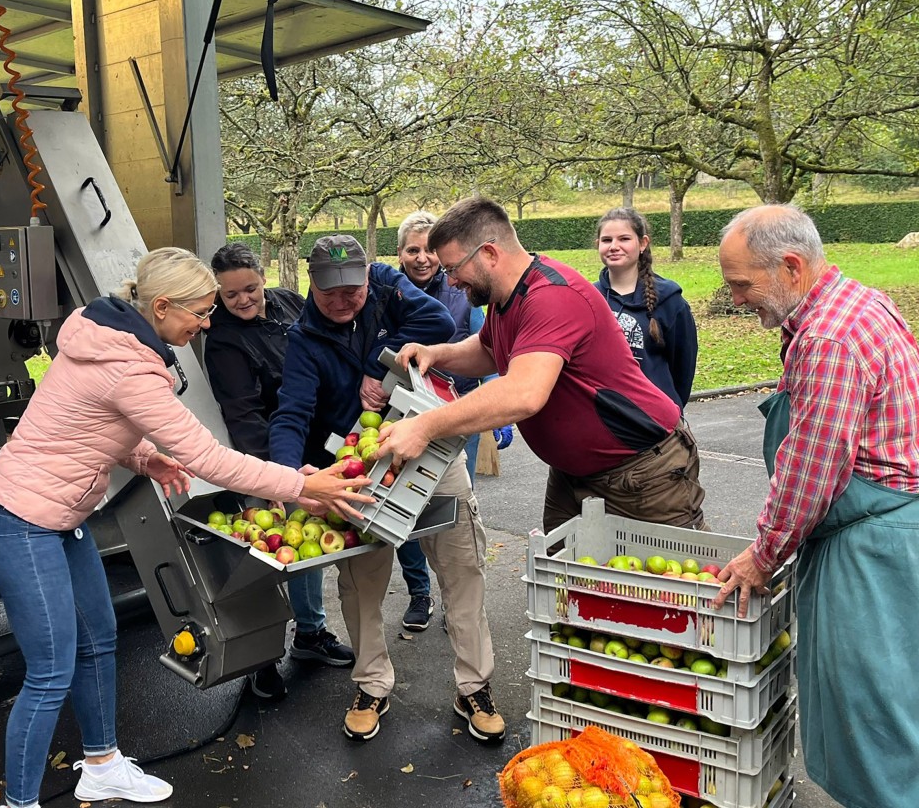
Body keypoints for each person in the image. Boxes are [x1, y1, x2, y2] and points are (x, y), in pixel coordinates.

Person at [0, 246, 373, 808]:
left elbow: (81, 419)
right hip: (19, 522)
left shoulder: (109, 340)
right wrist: (304, 485)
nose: (207, 323)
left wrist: (142, 457)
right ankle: (20, 802)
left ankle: (102, 764)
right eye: (199, 312)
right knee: (50, 669)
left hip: (62, 518)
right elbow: (209, 458)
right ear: (161, 306)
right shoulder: (129, 366)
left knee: (98, 642)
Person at [709, 205, 919, 807]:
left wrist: (763, 554)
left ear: (792, 266)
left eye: (742, 283)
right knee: (898, 700)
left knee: (872, 714)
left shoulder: (827, 338)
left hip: (870, 546)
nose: (736, 298)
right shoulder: (857, 300)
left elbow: (813, 468)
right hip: (890, 530)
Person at [269, 235, 506, 744]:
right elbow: (291, 413)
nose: (341, 300)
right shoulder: (304, 337)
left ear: (367, 277)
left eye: (352, 288)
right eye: (329, 290)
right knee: (361, 583)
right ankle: (371, 683)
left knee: (462, 564)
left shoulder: (386, 290)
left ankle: (475, 685)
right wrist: (289, 478)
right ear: (310, 282)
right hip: (358, 466)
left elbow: (441, 324)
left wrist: (381, 364)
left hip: (429, 447)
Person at [377, 196, 706, 533]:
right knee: (563, 579)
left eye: (453, 268)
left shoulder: (551, 295)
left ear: (489, 254)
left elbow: (523, 394)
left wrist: (424, 426)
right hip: (573, 473)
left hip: (641, 472)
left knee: (672, 580)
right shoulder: (505, 296)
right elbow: (491, 350)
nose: (450, 281)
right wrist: (438, 354)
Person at [204, 242, 354, 703]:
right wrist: (272, 480)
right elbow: (243, 416)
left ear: (263, 276)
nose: (244, 300)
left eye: (250, 288)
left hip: (313, 448)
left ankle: (310, 635)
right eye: (231, 296)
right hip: (264, 456)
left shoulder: (290, 301)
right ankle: (261, 660)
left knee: (305, 548)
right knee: (263, 565)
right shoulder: (224, 342)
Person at [395, 211, 513, 632]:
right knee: (403, 509)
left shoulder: (467, 290)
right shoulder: (389, 295)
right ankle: (419, 593)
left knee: (455, 512)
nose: (423, 258)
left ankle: (455, 602)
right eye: (413, 249)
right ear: (400, 254)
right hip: (404, 418)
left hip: (460, 414)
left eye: (430, 250)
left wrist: (497, 407)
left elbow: (491, 348)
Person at [593, 208, 698, 410]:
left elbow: (683, 368)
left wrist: (669, 407)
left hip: (656, 421)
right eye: (607, 240)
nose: (614, 246)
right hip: (606, 418)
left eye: (624, 239)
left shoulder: (670, 301)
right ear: (598, 245)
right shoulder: (588, 298)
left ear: (642, 243)